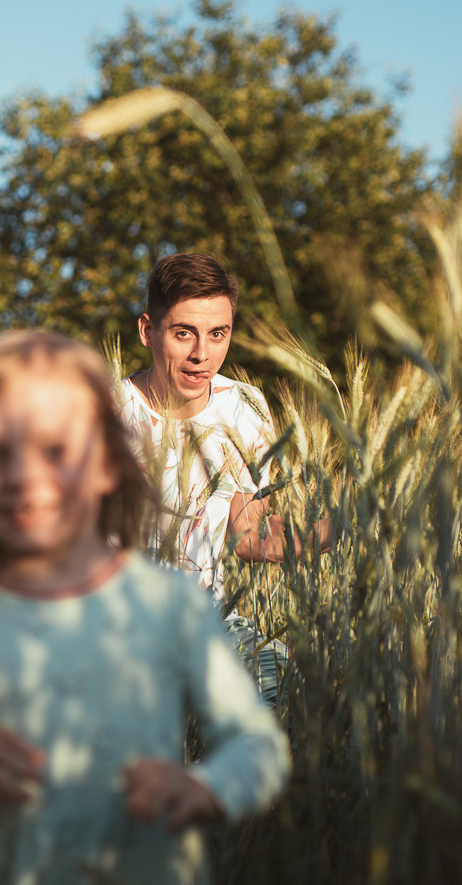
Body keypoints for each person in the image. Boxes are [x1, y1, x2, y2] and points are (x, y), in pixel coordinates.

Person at [0, 330, 291, 884]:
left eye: (55, 450)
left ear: (107, 466)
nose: (24, 476)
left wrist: (205, 787)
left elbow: (257, 744)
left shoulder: (169, 607)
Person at [116, 253, 332, 705]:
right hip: (112, 632)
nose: (202, 354)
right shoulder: (102, 415)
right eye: (183, 334)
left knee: (299, 692)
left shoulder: (244, 409)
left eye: (218, 334)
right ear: (147, 331)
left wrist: (323, 532)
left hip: (208, 622)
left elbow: (247, 534)